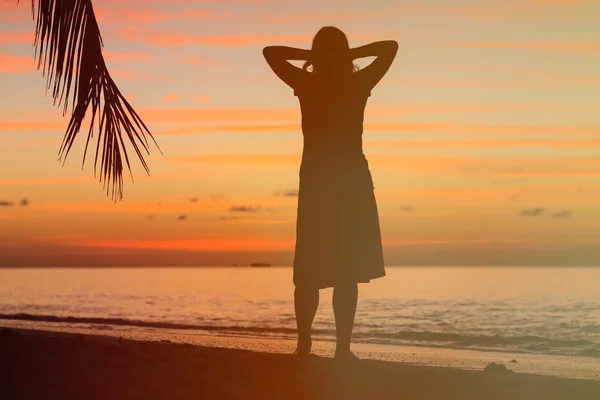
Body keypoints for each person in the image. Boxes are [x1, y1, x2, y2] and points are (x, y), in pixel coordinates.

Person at [263, 27, 398, 361]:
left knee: (319, 266)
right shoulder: (357, 82)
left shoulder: (309, 83)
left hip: (322, 180)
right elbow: (389, 48)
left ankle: (307, 345)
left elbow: (272, 53)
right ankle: (337, 349)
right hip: (346, 179)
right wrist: (343, 56)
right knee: (342, 268)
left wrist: (318, 58)